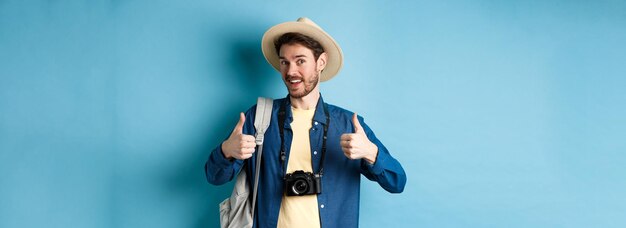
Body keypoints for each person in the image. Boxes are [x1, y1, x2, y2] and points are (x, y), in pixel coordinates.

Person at [205, 17, 406, 228]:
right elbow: (214, 177)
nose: (291, 71)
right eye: (285, 62)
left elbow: (397, 182)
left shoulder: (349, 125)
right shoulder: (258, 118)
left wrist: (371, 153)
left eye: (300, 61)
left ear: (321, 63)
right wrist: (227, 150)